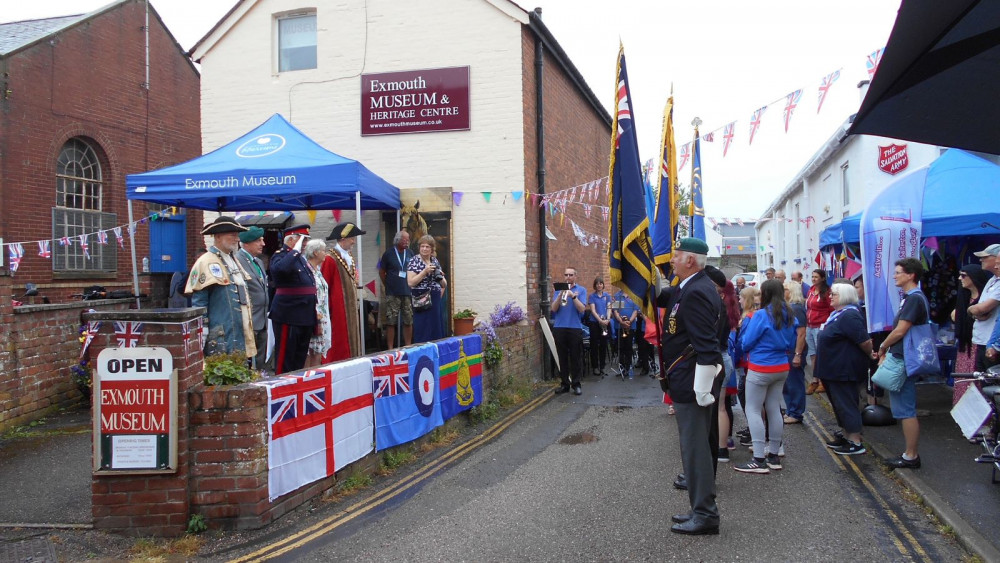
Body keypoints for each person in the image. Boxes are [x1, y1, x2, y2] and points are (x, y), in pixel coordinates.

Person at [656, 237, 722, 535]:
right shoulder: (687, 287)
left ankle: (706, 515)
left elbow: (708, 347)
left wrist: (702, 389)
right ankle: (699, 508)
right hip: (686, 380)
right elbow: (662, 296)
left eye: (676, 255)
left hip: (692, 383)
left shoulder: (696, 292)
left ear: (691, 261)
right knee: (693, 449)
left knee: (695, 451)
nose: (672, 260)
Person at [735, 279, 797, 474]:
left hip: (761, 366)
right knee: (773, 409)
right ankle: (774, 455)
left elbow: (746, 342)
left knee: (753, 410)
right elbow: (792, 341)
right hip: (781, 366)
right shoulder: (789, 313)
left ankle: (759, 458)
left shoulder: (761, 315)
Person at [873, 258, 927, 469]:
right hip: (904, 356)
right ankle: (909, 453)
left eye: (898, 272)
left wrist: (883, 346)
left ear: (911, 275)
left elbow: (901, 330)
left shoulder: (914, 299)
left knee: (905, 409)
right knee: (903, 407)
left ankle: (911, 456)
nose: (894, 276)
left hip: (904, 357)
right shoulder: (911, 298)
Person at [185, 216, 256, 359]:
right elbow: (199, 302)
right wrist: (202, 331)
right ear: (218, 236)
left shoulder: (233, 260)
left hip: (241, 332)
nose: (237, 239)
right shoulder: (206, 261)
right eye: (233, 235)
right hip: (221, 334)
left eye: (237, 235)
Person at [816, 283, 872, 455]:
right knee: (840, 405)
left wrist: (872, 355)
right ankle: (847, 437)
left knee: (847, 405)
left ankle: (855, 442)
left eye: (834, 294)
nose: (830, 296)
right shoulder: (837, 314)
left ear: (846, 296)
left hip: (844, 369)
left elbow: (864, 342)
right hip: (833, 369)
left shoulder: (849, 316)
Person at [268, 224, 316, 374]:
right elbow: (281, 269)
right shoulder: (281, 256)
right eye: (303, 240)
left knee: (299, 358)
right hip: (288, 315)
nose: (306, 244)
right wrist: (295, 251)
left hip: (304, 316)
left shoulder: (300, 259)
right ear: (291, 240)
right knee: (286, 358)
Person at [321, 222, 366, 361]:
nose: (353, 241)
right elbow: (324, 286)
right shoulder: (330, 259)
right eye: (352, 238)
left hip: (350, 306)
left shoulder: (348, 257)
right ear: (342, 239)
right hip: (337, 309)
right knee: (339, 340)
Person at [236, 226, 270, 372]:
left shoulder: (258, 262)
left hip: (262, 320)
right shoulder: (238, 260)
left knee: (260, 361)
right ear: (247, 243)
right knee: (249, 363)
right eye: (258, 240)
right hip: (249, 321)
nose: (263, 244)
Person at [551, 267, 588, 395]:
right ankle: (565, 384)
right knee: (562, 357)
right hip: (560, 327)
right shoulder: (559, 289)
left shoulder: (581, 290)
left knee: (575, 357)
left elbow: (582, 309)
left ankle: (576, 384)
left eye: (571, 275)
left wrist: (573, 297)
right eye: (566, 274)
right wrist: (560, 294)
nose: (568, 277)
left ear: (575, 276)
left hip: (574, 327)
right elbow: (554, 309)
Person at [408, 234, 448, 344]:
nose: (424, 249)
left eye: (427, 247)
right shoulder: (414, 261)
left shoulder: (434, 261)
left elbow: (444, 284)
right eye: (422, 246)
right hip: (421, 298)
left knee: (436, 327)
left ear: (432, 249)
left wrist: (440, 276)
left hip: (435, 298)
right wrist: (424, 272)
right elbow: (411, 282)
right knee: (423, 328)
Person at [952, 264, 991, 374]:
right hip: (964, 346)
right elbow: (954, 316)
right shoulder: (964, 297)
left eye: (963, 276)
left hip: (979, 344)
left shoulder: (986, 299)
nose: (960, 278)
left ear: (974, 277)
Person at [379, 230, 413, 349]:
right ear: (398, 240)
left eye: (408, 239)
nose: (407, 242)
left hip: (407, 292)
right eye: (405, 239)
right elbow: (382, 271)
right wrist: (388, 284)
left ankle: (408, 346)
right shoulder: (388, 253)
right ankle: (390, 348)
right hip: (392, 293)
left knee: (408, 320)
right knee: (391, 322)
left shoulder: (410, 253)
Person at [969, 244, 1000, 371]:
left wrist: (971, 310)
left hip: (993, 346)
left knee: (992, 385)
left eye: (985, 257)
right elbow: (977, 310)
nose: (981, 260)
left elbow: (980, 309)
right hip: (984, 342)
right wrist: (973, 311)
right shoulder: (992, 280)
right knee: (982, 384)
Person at [781, 280, 808, 424]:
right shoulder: (790, 307)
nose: (782, 291)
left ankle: (796, 413)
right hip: (788, 350)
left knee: (795, 382)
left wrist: (797, 354)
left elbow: (801, 333)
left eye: (785, 289)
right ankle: (791, 410)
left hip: (794, 351)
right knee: (788, 383)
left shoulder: (797, 308)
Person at [303, 239, 332, 367]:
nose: (325, 253)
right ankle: (308, 380)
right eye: (323, 251)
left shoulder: (318, 269)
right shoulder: (306, 269)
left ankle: (316, 380)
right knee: (309, 352)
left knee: (318, 351)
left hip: (322, 316)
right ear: (315, 253)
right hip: (312, 316)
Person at [805, 268, 833, 394]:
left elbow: (831, 308)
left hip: (820, 326)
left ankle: (823, 381)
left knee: (821, 353)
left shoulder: (827, 292)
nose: (813, 279)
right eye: (812, 276)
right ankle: (815, 380)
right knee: (812, 354)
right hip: (810, 326)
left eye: (816, 277)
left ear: (822, 278)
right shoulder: (811, 290)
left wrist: (828, 324)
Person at [612, 288, 639, 379]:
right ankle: (622, 368)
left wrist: (629, 322)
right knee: (621, 347)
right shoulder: (617, 296)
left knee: (628, 347)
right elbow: (615, 311)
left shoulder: (634, 295)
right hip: (619, 326)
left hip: (630, 326)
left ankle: (628, 367)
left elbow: (635, 310)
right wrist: (621, 322)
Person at [588, 277, 611, 376]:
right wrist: (600, 320)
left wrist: (608, 319)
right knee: (594, 345)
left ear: (603, 285)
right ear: (595, 285)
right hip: (594, 323)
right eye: (597, 284)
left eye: (601, 283)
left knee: (603, 344)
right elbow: (593, 310)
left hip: (605, 323)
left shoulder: (607, 296)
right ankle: (595, 367)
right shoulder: (592, 296)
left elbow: (609, 308)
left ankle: (602, 366)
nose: (599, 285)